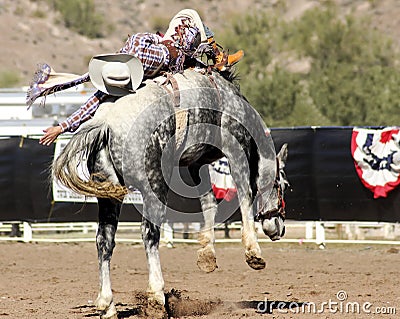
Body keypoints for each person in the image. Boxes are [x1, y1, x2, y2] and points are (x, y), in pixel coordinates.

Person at [37, 9, 244, 146]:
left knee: (178, 55)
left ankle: (217, 59)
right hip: (164, 54)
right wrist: (61, 127)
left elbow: (91, 105)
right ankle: (218, 60)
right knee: (180, 55)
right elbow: (174, 53)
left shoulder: (135, 51)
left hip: (159, 53)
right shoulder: (145, 52)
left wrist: (62, 127)